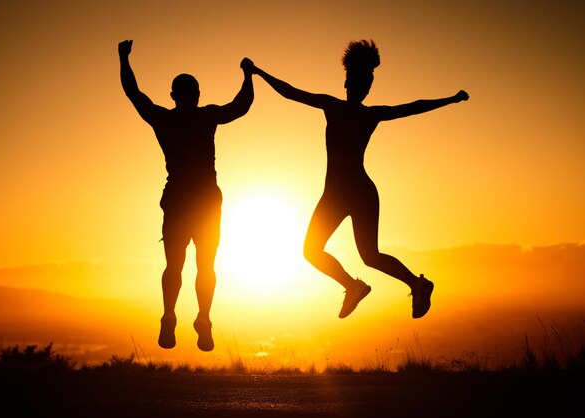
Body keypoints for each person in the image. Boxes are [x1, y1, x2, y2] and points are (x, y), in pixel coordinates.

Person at [248, 40, 468, 319]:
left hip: (351, 192)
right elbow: (291, 93)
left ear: (357, 86)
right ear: (352, 84)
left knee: (344, 253)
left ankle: (387, 285)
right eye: (355, 80)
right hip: (346, 193)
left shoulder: (347, 110)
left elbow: (413, 107)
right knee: (334, 253)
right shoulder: (355, 111)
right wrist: (259, 72)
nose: (355, 86)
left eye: (360, 82)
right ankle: (373, 286)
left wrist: (258, 72)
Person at [119, 39, 254, 351]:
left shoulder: (164, 119)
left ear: (173, 96)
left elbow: (134, 94)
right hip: (205, 202)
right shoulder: (206, 116)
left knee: (175, 265)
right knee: (205, 266)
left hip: (180, 202)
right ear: (196, 96)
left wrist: (124, 59)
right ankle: (202, 319)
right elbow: (241, 106)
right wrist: (248, 76)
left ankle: (171, 317)